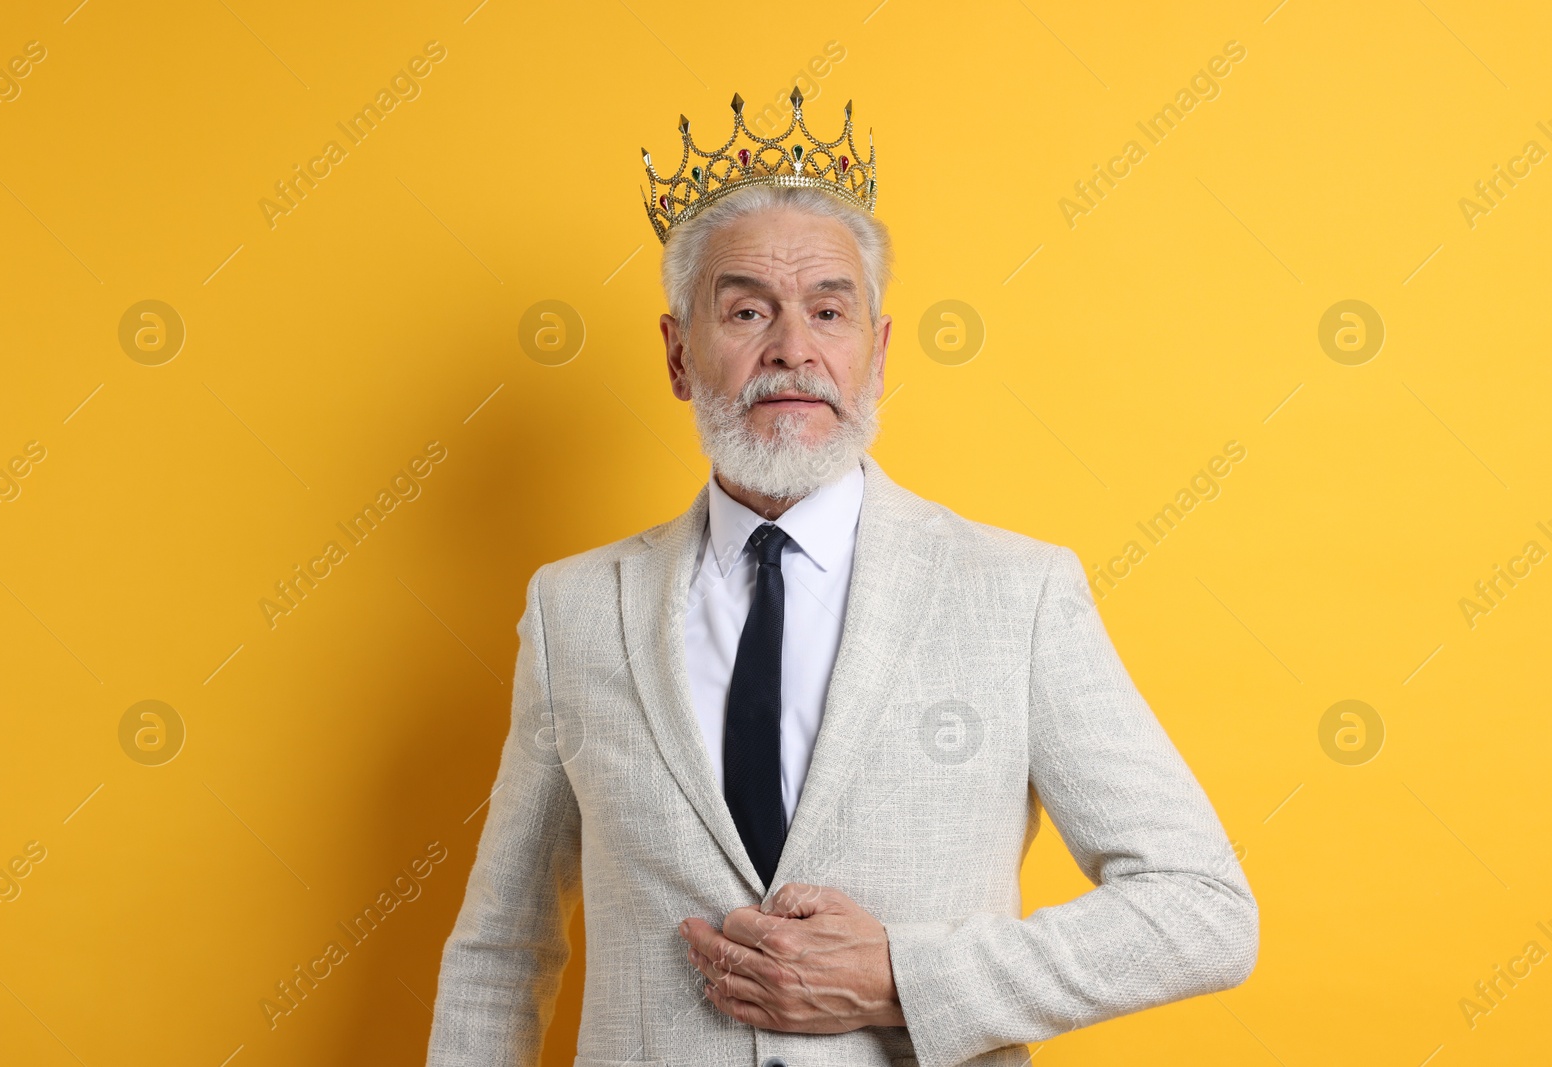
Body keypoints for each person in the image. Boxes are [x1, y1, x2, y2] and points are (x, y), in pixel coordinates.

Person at [425, 90, 1258, 1067]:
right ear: (678, 353)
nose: (792, 348)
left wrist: (907, 977)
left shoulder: (1016, 594)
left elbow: (1201, 908)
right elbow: (500, 948)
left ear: (876, 352)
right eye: (746, 311)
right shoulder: (574, 612)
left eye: (829, 309)